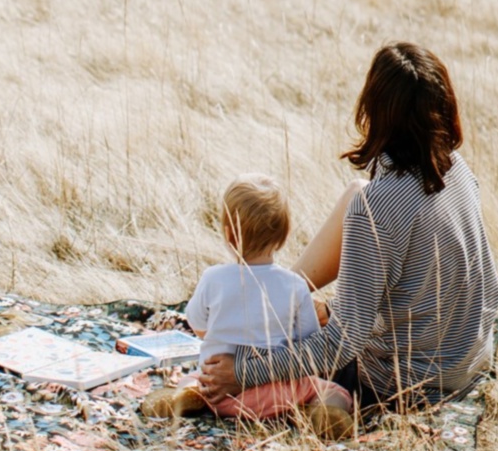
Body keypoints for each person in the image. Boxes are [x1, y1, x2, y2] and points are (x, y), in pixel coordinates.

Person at [198, 43, 498, 415]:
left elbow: (342, 344)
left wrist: (244, 372)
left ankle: (272, 316)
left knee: (248, 374)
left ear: (374, 110)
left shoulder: (376, 210)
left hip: (403, 386)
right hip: (466, 360)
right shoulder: (457, 170)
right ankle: (276, 296)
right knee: (357, 191)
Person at [143, 176, 353, 429]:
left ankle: (186, 396)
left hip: (220, 393)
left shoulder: (213, 278)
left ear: (229, 234)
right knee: (334, 392)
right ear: (284, 237)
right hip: (281, 395)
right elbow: (308, 340)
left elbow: (198, 324)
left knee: (195, 379)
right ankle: (324, 412)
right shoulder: (295, 285)